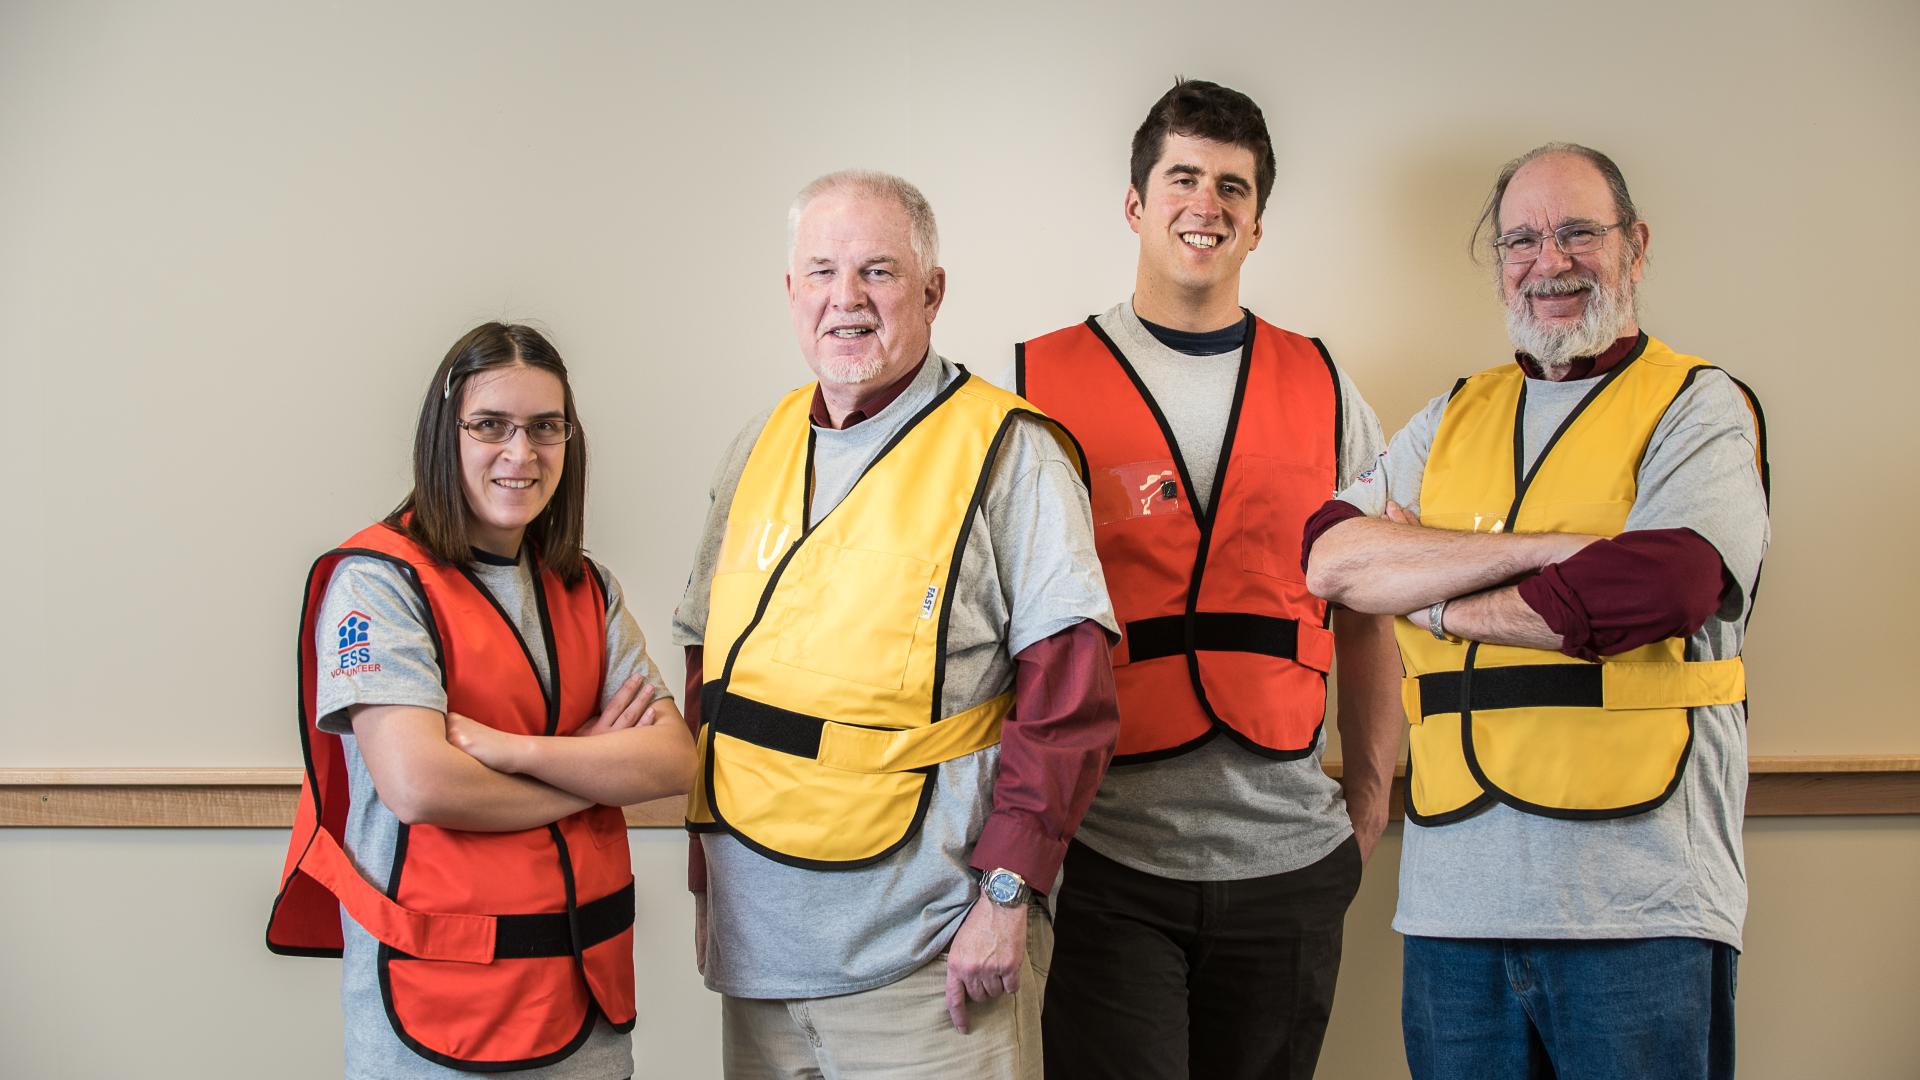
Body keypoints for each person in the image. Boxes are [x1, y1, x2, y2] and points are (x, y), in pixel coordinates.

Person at [1303, 144, 1770, 1080]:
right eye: (1521, 239)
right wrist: (1550, 552)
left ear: (1635, 246)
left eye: (1577, 233)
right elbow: (1331, 557)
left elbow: (1661, 586)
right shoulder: (1450, 416)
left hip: (1640, 916)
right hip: (1450, 918)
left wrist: (1433, 598)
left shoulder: (1699, 408)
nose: (1548, 261)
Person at [674, 170, 1121, 1079]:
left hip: (930, 957)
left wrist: (1007, 895)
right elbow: (705, 676)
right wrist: (703, 880)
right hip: (758, 954)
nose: (847, 299)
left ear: (933, 291)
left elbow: (1070, 695)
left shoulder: (1011, 450)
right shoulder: (752, 450)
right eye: (822, 272)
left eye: (878, 271)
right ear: (790, 292)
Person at [1014, 78, 1403, 1080]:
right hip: (1107, 866)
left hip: (1291, 870)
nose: (1209, 203)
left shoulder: (1325, 388)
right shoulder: (1036, 390)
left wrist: (1365, 811)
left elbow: (1367, 621)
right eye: (1184, 177)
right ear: (1136, 205)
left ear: (1258, 224)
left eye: (1234, 186)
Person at [267, 322, 697, 1080]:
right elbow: (421, 785)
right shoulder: (376, 585)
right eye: (490, 425)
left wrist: (515, 751)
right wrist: (591, 768)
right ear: (446, 433)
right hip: (435, 1026)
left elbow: (670, 759)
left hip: (587, 1019)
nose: (521, 453)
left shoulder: (585, 588)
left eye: (545, 428)